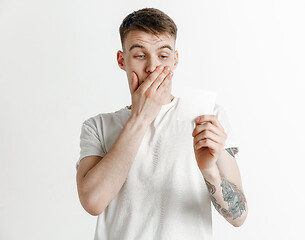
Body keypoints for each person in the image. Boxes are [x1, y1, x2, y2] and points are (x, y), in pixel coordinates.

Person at [76, 7, 248, 240]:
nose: (152, 67)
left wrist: (209, 169)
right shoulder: (97, 126)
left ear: (175, 60)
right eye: (139, 55)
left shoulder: (206, 115)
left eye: (163, 56)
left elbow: (238, 216)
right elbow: (93, 202)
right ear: (121, 60)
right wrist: (140, 117)